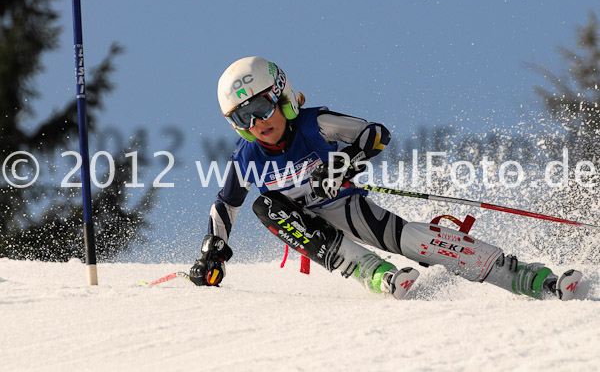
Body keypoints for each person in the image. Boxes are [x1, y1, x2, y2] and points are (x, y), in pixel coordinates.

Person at [189, 56, 582, 300]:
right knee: (265, 205)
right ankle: (374, 274)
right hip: (303, 228)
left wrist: (343, 163)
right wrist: (212, 250)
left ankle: (531, 279)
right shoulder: (247, 157)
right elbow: (226, 204)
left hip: (344, 206)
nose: (257, 122)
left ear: (281, 95)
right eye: (243, 117)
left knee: (413, 239)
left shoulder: (316, 124)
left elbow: (375, 134)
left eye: (260, 106)